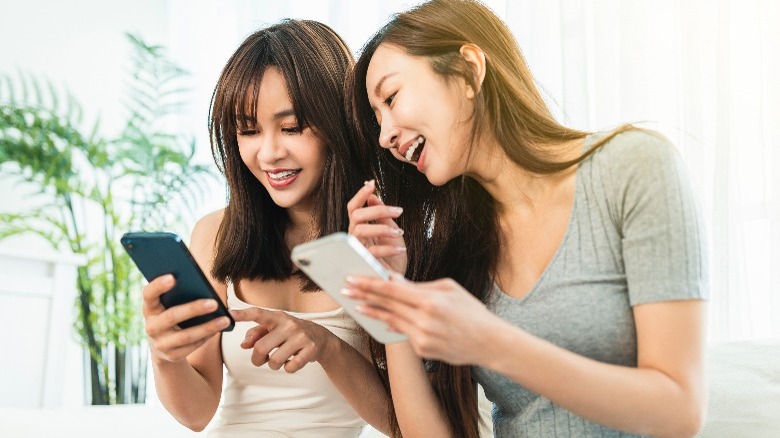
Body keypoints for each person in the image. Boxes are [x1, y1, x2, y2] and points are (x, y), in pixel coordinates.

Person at [343, 1, 709, 437]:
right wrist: (391, 292)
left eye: (391, 98)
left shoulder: (633, 166)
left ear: (468, 70)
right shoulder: (459, 245)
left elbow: (680, 412)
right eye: (377, 120)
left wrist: (491, 342)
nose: (385, 137)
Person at [140, 19, 391, 438]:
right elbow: (197, 414)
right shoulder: (216, 234)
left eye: (291, 128)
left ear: (339, 123)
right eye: (249, 130)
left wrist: (326, 345)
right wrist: (165, 355)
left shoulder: (380, 239)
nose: (269, 153)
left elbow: (405, 423)